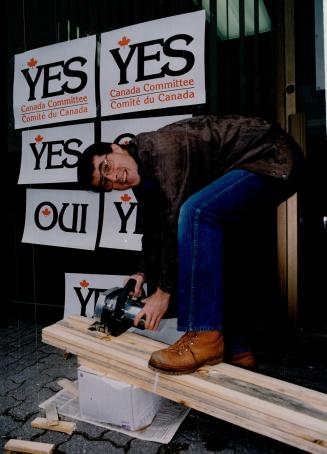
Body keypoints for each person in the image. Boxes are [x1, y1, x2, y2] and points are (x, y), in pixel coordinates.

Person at [77, 114, 305, 375]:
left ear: (117, 147)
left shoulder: (163, 149)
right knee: (215, 251)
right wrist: (141, 273)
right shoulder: (142, 173)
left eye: (107, 167)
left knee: (196, 213)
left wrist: (163, 293)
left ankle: (204, 337)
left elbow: (175, 224)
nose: (115, 178)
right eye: (106, 183)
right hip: (251, 163)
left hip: (271, 156)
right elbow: (154, 230)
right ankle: (239, 351)